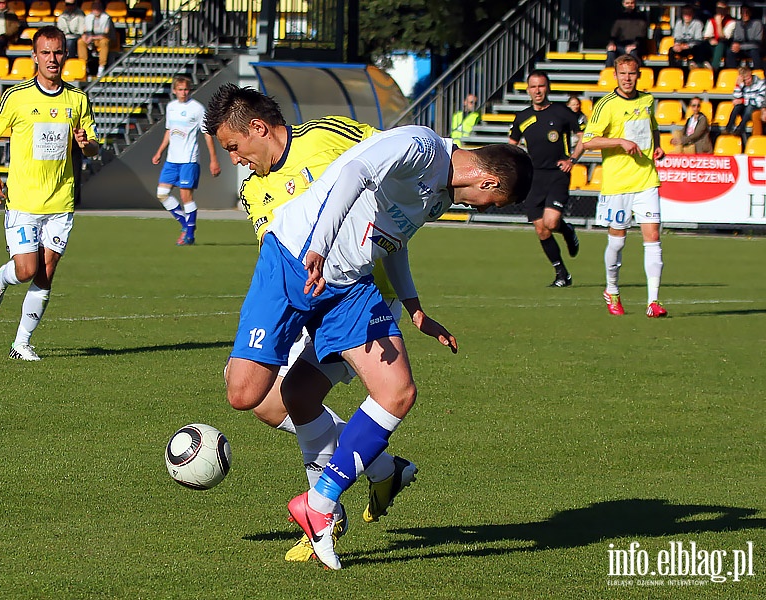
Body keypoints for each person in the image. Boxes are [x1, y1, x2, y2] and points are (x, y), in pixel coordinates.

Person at [218, 125, 532, 569]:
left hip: (349, 285)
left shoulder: (439, 197)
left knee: (397, 391)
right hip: (297, 256)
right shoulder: (420, 147)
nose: (483, 207)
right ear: (489, 182)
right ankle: (381, 470)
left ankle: (320, 503)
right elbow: (352, 173)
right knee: (247, 396)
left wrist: (414, 306)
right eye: (492, 202)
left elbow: (393, 241)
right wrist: (322, 247)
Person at [204, 84, 418, 562]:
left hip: (363, 297)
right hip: (307, 301)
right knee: (261, 399)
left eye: (234, 147)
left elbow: (394, 170)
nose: (235, 160)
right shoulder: (252, 189)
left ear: (258, 128)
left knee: (299, 396)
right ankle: (381, 467)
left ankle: (325, 516)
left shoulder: (330, 136)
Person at [0, 26, 99, 361]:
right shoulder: (16, 97)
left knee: (46, 272)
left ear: (66, 55)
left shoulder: (77, 100)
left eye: (58, 52)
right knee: (25, 270)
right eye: (46, 52)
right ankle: (3, 277)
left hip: (61, 202)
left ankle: (22, 343)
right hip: (23, 201)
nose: (52, 59)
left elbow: (92, 147)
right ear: (35, 56)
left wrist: (86, 144)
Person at [582, 54, 668, 318]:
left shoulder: (647, 100)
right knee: (617, 243)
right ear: (615, 75)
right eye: (623, 74)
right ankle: (612, 289)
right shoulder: (606, 104)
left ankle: (653, 302)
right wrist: (619, 141)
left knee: (653, 238)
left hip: (646, 181)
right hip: (618, 185)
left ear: (638, 75)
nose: (627, 78)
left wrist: (658, 146)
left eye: (632, 73)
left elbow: (652, 127)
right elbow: (588, 141)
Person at [508, 71, 583, 288]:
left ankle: (567, 230)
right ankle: (562, 273)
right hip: (534, 178)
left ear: (547, 87)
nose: (537, 91)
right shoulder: (523, 117)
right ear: (528, 90)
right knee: (541, 229)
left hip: (557, 175)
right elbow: (511, 145)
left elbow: (583, 138)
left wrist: (572, 159)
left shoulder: (562, 112)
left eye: (541, 86)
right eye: (533, 87)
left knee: (551, 222)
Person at [151, 76, 220, 246]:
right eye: (180, 89)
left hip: (189, 159)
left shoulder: (197, 109)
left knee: (185, 195)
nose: (183, 93)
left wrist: (214, 160)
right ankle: (186, 225)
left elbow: (207, 134)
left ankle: (189, 235)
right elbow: (169, 131)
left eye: (186, 89)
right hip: (171, 160)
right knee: (162, 193)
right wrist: (159, 151)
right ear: (174, 90)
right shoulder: (171, 107)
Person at [725, 66, 766, 144]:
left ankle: (741, 128)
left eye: (748, 78)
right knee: (737, 107)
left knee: (749, 107)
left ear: (751, 74)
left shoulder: (760, 83)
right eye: (744, 80)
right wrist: (738, 85)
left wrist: (743, 100)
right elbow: (736, 97)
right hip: (745, 107)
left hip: (756, 108)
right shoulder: (742, 83)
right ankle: (729, 128)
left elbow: (759, 101)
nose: (747, 82)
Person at [78, 0, 116, 78]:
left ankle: (101, 67)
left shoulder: (106, 18)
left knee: (104, 42)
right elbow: (84, 31)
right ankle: (84, 65)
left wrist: (92, 37)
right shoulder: (88, 17)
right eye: (94, 7)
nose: (96, 9)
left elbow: (106, 34)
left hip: (104, 39)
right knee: (80, 42)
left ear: (102, 8)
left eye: (98, 7)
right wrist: (85, 37)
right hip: (91, 39)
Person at [605, 0, 649, 68]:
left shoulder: (641, 17)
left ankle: (634, 71)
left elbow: (642, 34)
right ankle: (610, 74)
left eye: (632, 3)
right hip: (621, 45)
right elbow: (613, 33)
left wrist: (634, 44)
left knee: (633, 52)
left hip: (637, 46)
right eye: (627, 3)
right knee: (611, 52)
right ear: (623, 4)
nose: (630, 5)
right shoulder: (619, 17)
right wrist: (611, 43)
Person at [726, 4, 763, 70]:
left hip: (753, 48)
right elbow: (736, 39)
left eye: (747, 12)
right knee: (730, 51)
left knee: (754, 52)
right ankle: (732, 72)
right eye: (743, 12)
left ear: (751, 13)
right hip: (741, 49)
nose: (745, 14)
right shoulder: (738, 23)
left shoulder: (757, 23)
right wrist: (735, 45)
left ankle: (758, 71)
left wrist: (740, 46)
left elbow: (757, 43)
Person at [703, 1, 736, 70]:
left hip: (725, 45)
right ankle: (698, 66)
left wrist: (719, 23)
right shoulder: (711, 20)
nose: (720, 11)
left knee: (720, 44)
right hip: (713, 44)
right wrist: (710, 39)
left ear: (727, 10)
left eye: (722, 8)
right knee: (702, 45)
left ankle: (714, 68)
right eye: (718, 8)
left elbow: (723, 37)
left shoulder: (731, 22)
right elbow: (706, 36)